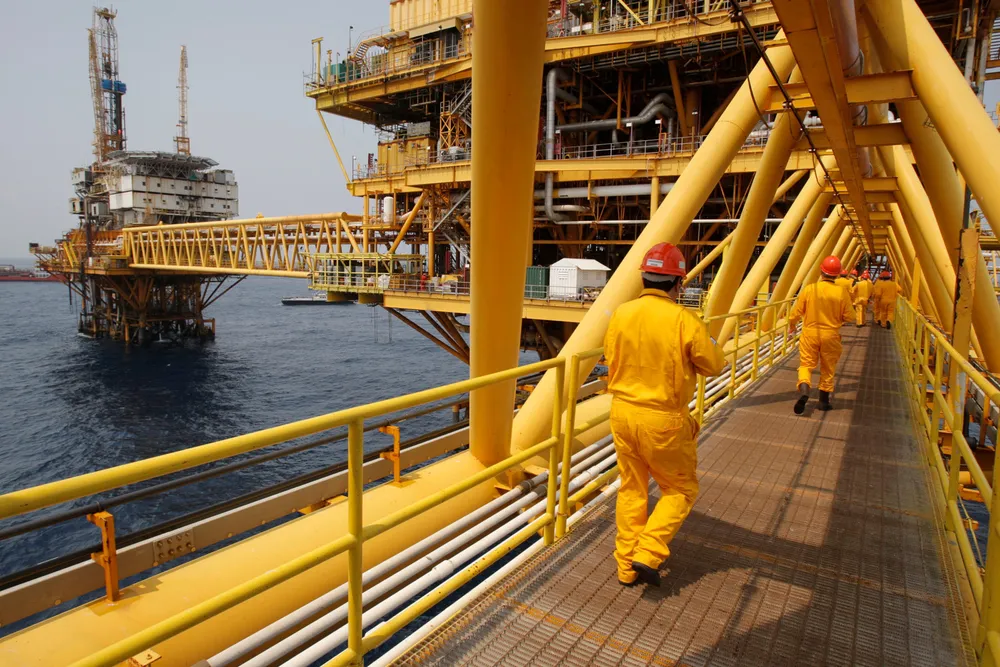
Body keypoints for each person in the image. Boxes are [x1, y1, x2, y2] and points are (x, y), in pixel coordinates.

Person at [604, 242, 724, 587]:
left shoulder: (622, 313)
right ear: (678, 282)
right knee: (680, 489)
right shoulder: (684, 320)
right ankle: (648, 552)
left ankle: (626, 568)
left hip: (623, 412)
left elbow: (611, 357)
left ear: (644, 277)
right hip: (663, 419)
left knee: (632, 489)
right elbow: (713, 365)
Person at [790, 255, 854, 414]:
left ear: (821, 271)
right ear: (837, 274)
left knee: (806, 365)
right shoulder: (841, 292)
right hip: (831, 335)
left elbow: (795, 313)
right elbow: (850, 316)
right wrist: (838, 318)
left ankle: (804, 388)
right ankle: (823, 402)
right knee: (828, 368)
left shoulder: (810, 289)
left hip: (810, 333)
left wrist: (792, 325)